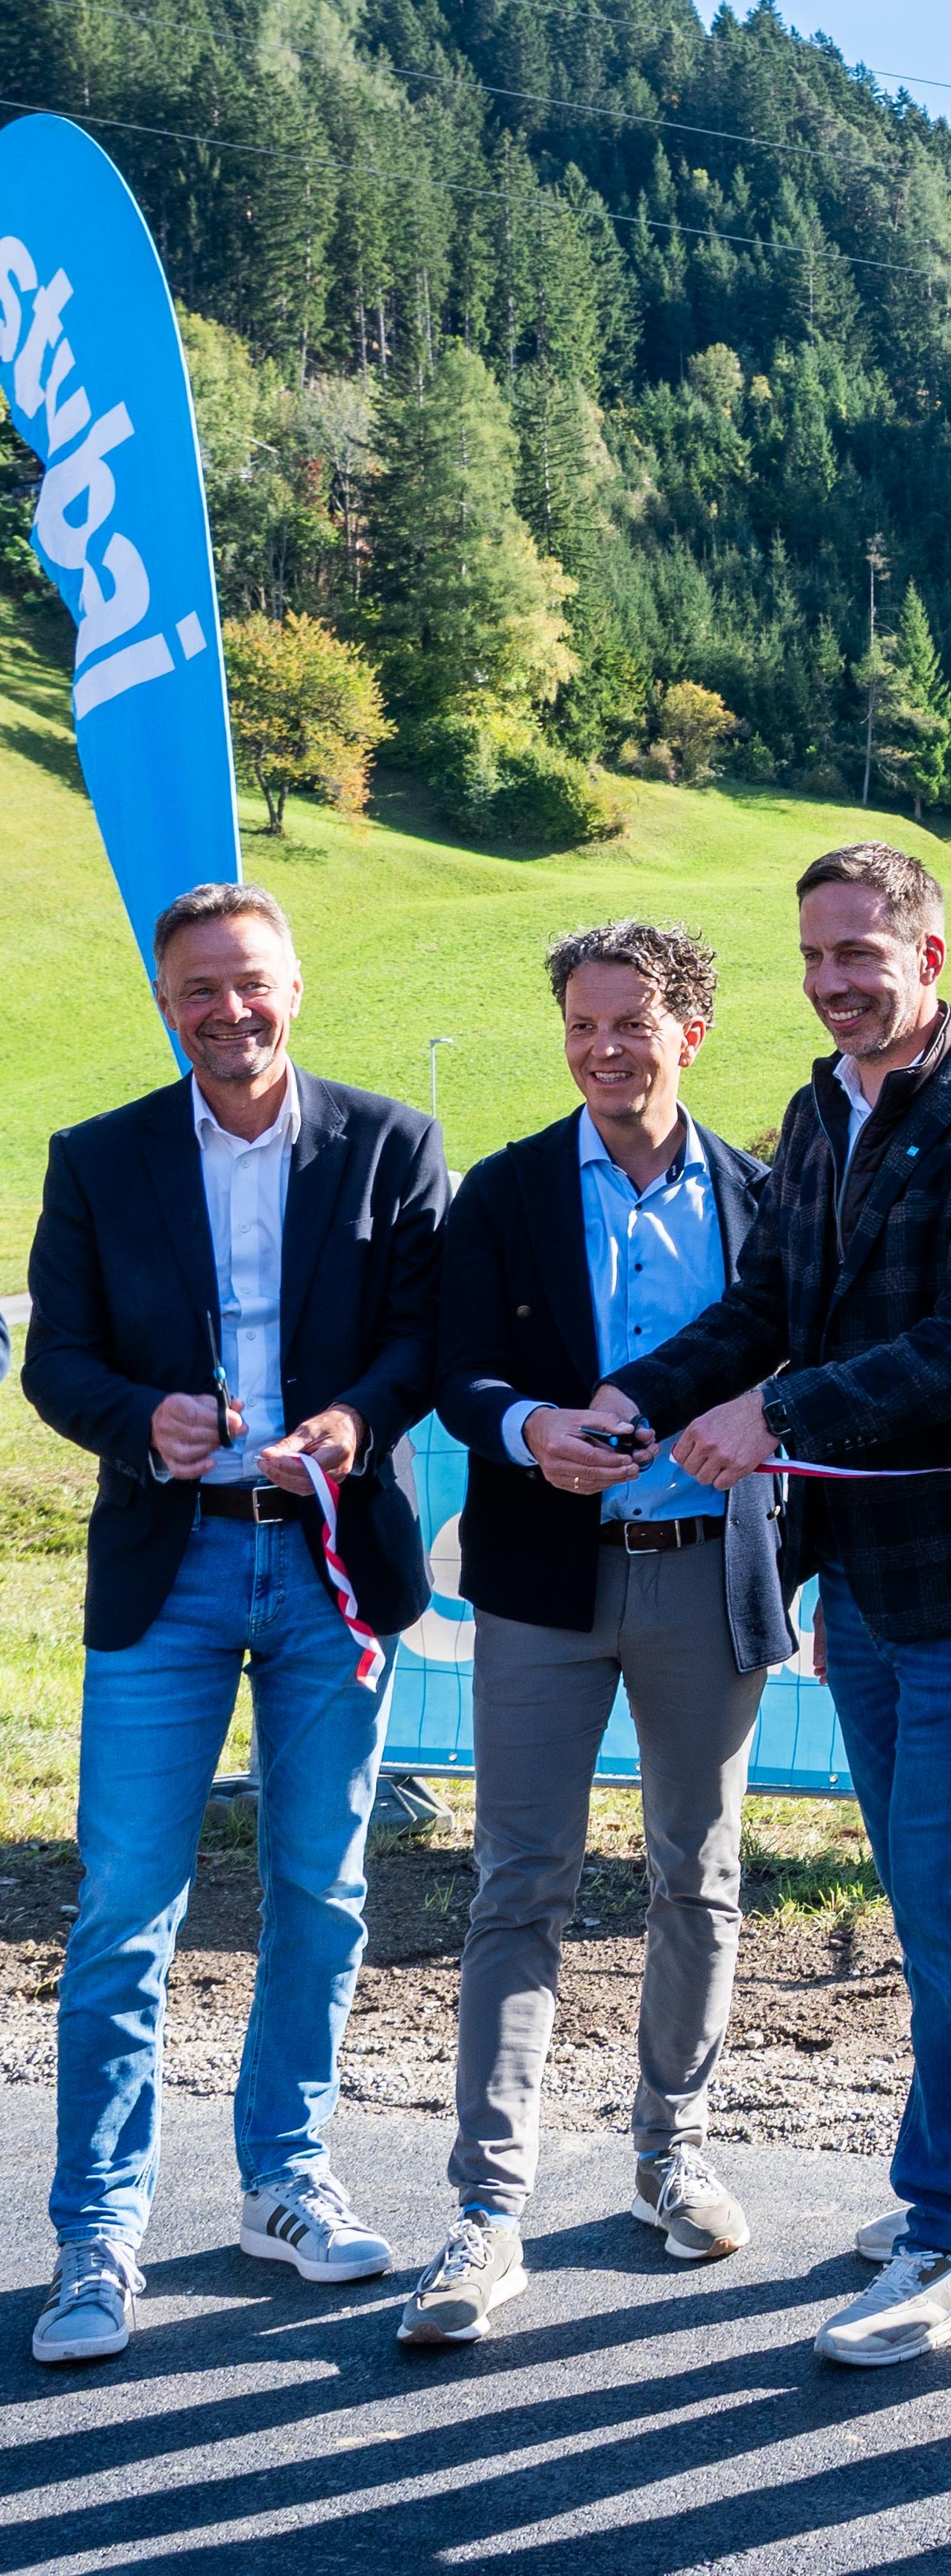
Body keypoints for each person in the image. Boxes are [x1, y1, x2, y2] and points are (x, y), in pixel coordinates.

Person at [593, 844, 951, 2370]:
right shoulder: (815, 1114)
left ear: (928, 955)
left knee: (943, 1897)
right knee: (939, 1890)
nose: (831, 982)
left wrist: (777, 1415)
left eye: (859, 953)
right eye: (812, 956)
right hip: (860, 1577)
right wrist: (640, 1395)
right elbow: (764, 1307)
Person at [21, 883, 446, 2366]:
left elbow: (426, 1338)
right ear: (164, 1004)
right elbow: (57, 1363)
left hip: (333, 1564)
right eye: (198, 989)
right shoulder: (98, 1158)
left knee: (320, 1892)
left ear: (295, 985)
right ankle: (98, 2230)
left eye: (250, 981)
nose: (229, 1010)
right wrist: (141, 1418)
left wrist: (357, 1419)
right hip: (171, 1567)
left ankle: (286, 2181)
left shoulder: (390, 1143)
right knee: (124, 1909)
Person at [393, 922, 794, 2345]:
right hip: (540, 1583)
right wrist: (525, 1427)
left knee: (700, 1874)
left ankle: (671, 2154)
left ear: (691, 1029)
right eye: (582, 1025)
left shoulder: (763, 1194)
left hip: (706, 1576)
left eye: (631, 1023)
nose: (604, 1049)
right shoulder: (502, 1190)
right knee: (519, 1886)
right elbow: (456, 1373)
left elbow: (792, 1365)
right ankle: (487, 2211)